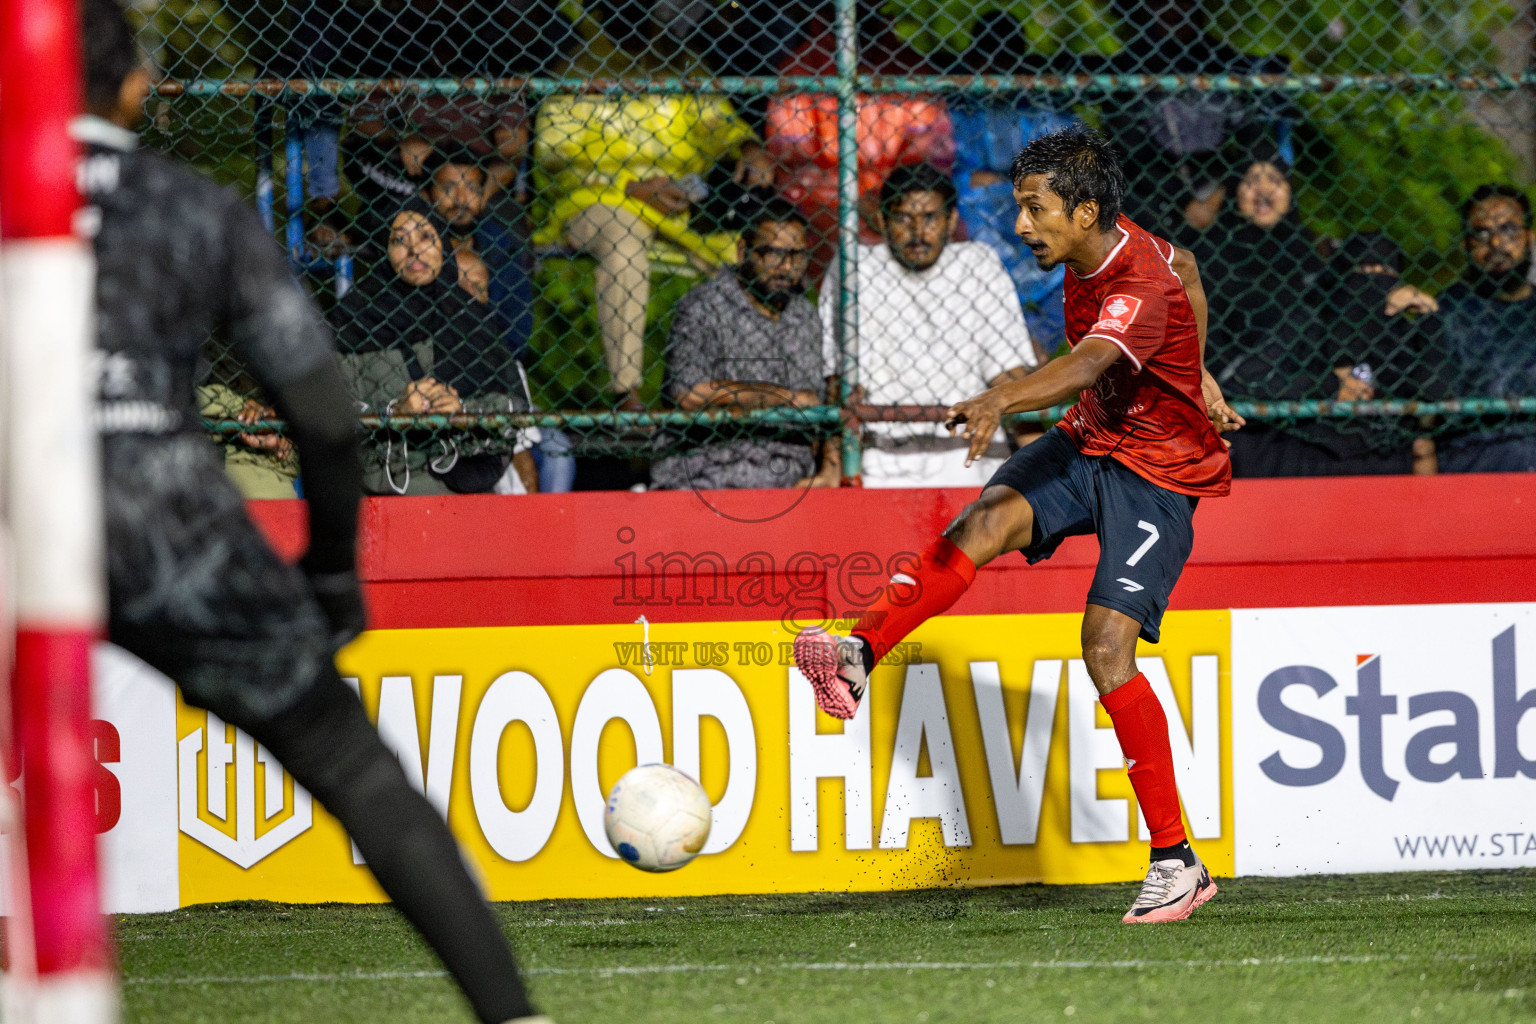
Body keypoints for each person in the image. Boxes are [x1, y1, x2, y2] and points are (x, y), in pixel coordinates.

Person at [81, 6, 550, 1022]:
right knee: (351, 764)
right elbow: (327, 420)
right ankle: (517, 1015)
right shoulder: (190, 209)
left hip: (27, 523)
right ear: (135, 88)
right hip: (166, 526)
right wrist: (334, 571)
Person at [795, 126, 1243, 923]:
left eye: (1035, 211)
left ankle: (1178, 862)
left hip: (1158, 476)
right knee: (982, 522)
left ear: (1085, 210)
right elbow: (1195, 272)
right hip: (1091, 442)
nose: (1021, 226)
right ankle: (859, 652)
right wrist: (1199, 370)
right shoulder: (1129, 252)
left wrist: (1002, 397)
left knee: (1105, 648)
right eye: (1020, 208)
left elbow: (1084, 365)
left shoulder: (1134, 283)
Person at [533, 0, 774, 410]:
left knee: (749, 248)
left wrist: (746, 145)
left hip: (679, 196)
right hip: (599, 198)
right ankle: (626, 392)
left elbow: (714, 121)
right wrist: (629, 186)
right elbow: (554, 157)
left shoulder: (679, 57)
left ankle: (755, 388)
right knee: (623, 243)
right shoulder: (577, 65)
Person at [817, 163, 1036, 488]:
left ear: (950, 223)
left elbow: (1008, 375)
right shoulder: (856, 268)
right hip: (881, 469)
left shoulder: (977, 264)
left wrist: (1043, 467)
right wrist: (830, 469)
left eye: (930, 218)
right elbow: (841, 385)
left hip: (973, 465)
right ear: (882, 221)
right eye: (904, 218)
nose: (918, 231)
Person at [331, 207, 540, 496]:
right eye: (399, 240)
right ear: (383, 250)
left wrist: (463, 415)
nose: (414, 249)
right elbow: (333, 421)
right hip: (383, 500)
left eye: (426, 236)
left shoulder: (472, 321)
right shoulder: (353, 322)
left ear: (443, 244)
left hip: (464, 502)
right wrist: (395, 417)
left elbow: (510, 412)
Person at [1225, 233, 1448, 476]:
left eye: (1383, 272)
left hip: (1384, 459)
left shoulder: (1402, 333)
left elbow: (1435, 392)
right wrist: (1329, 387)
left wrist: (1430, 320)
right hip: (1308, 453)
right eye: (1361, 271)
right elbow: (1243, 383)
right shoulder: (1310, 321)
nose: (1372, 282)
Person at [766, 6, 956, 284]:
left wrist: (890, 200)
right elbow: (793, 165)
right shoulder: (800, 69)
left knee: (938, 232)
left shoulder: (909, 65)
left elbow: (930, 152)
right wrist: (853, 198)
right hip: (826, 205)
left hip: (900, 200)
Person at [650, 199, 830, 490]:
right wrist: (783, 397)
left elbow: (817, 404)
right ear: (743, 251)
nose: (787, 267)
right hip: (707, 477)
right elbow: (690, 393)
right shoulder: (704, 306)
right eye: (773, 254)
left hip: (789, 483)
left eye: (797, 256)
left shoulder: (804, 315)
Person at [945, 12, 1074, 352]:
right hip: (979, 214)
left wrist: (1002, 181)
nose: (996, 65)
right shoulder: (960, 106)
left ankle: (1038, 348)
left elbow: (1069, 167)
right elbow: (945, 168)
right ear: (974, 57)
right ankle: (1001, 348)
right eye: (987, 55)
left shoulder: (1040, 107)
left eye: (1005, 55)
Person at [1435, 184, 1536, 472]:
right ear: (1466, 245)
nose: (1496, 244)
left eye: (1509, 230)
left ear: (1529, 238)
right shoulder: (1446, 312)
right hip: (1472, 462)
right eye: (1481, 233)